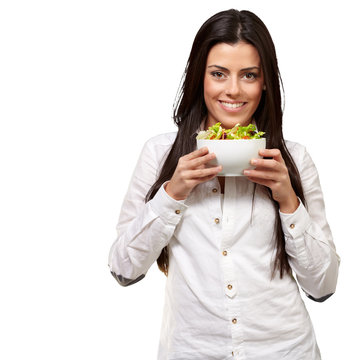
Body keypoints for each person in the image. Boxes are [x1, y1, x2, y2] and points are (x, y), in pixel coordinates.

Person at [108, 9, 340, 360]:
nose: (233, 90)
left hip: (285, 350)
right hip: (193, 352)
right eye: (219, 74)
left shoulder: (294, 159)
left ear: (265, 83)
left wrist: (288, 201)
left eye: (249, 75)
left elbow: (323, 285)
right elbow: (123, 268)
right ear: (200, 78)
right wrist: (172, 194)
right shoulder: (160, 154)